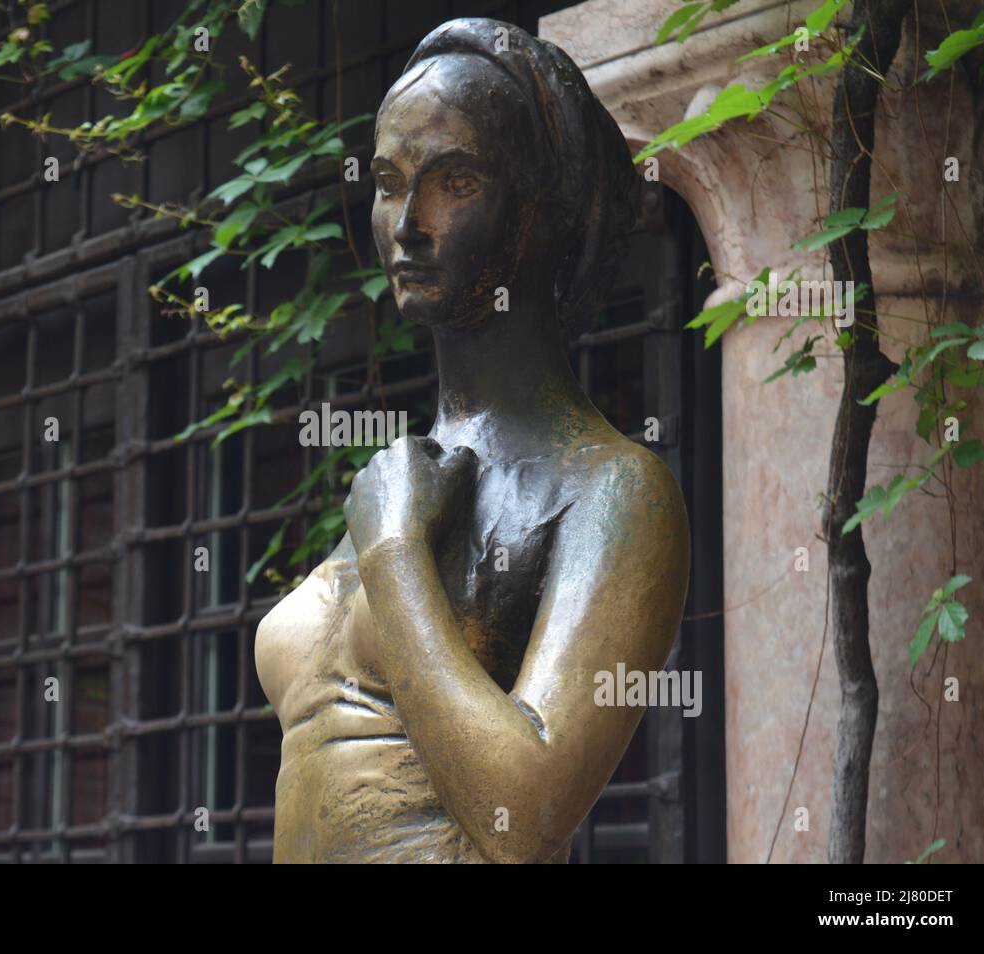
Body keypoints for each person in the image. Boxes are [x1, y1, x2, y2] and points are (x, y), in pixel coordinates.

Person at [255, 17, 689, 863]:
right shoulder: (403, 481)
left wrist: (392, 553)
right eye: (388, 181)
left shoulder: (611, 489)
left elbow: (523, 814)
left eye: (454, 181)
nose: (407, 224)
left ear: (544, 212)